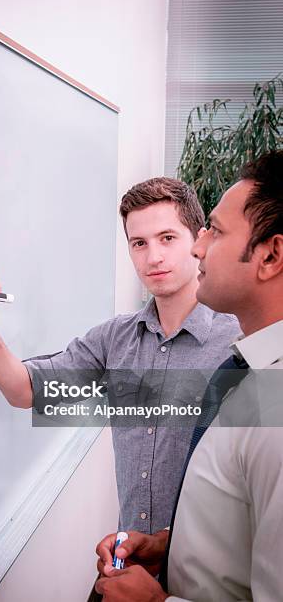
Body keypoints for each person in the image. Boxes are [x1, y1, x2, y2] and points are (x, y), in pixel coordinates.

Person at [0, 177, 239, 535]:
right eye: (139, 243)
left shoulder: (238, 341)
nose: (153, 256)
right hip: (126, 564)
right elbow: (24, 391)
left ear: (198, 239)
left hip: (206, 582)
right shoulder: (115, 339)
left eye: (167, 238)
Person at [95, 151, 283, 601]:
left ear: (271, 255)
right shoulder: (246, 374)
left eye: (214, 232)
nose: (197, 247)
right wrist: (169, 545)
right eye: (138, 242)